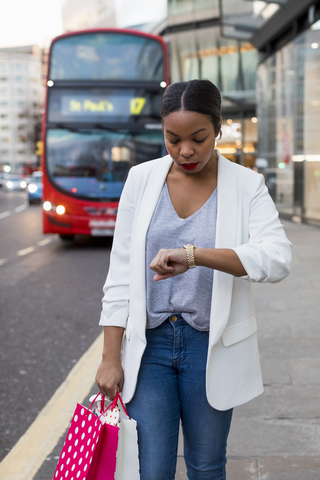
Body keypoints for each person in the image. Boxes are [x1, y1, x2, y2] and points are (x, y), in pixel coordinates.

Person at [96, 79, 292, 480]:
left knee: (206, 467)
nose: (185, 150)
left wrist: (195, 256)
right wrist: (109, 357)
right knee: (151, 470)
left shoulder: (246, 185)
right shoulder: (141, 179)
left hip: (211, 344)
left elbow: (277, 258)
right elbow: (119, 273)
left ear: (218, 129)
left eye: (198, 138)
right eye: (173, 139)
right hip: (149, 345)